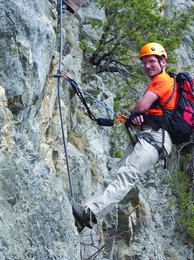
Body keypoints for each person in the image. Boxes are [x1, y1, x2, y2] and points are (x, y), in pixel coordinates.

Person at [71, 42, 177, 230]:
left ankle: (91, 214)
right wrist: (138, 119)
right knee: (114, 175)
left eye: (151, 61)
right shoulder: (161, 83)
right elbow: (150, 112)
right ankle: (86, 213)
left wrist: (135, 113)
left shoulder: (163, 80)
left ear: (163, 62)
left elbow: (141, 106)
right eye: (144, 62)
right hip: (148, 136)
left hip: (155, 139)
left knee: (126, 176)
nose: (147, 66)